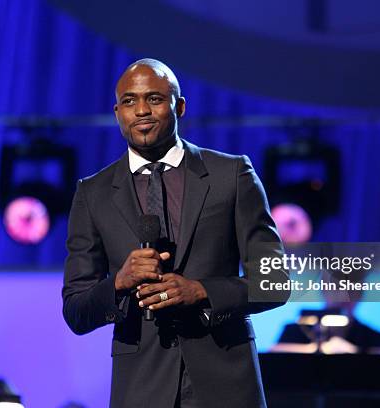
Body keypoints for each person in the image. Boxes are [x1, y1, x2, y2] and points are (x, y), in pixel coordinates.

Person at [62, 58, 286, 408]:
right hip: (140, 387)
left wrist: (201, 291)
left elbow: (275, 282)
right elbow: (76, 311)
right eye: (129, 102)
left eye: (153, 99)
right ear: (117, 111)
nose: (141, 111)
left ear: (178, 106)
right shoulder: (94, 193)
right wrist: (119, 282)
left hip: (226, 382)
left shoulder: (232, 174)